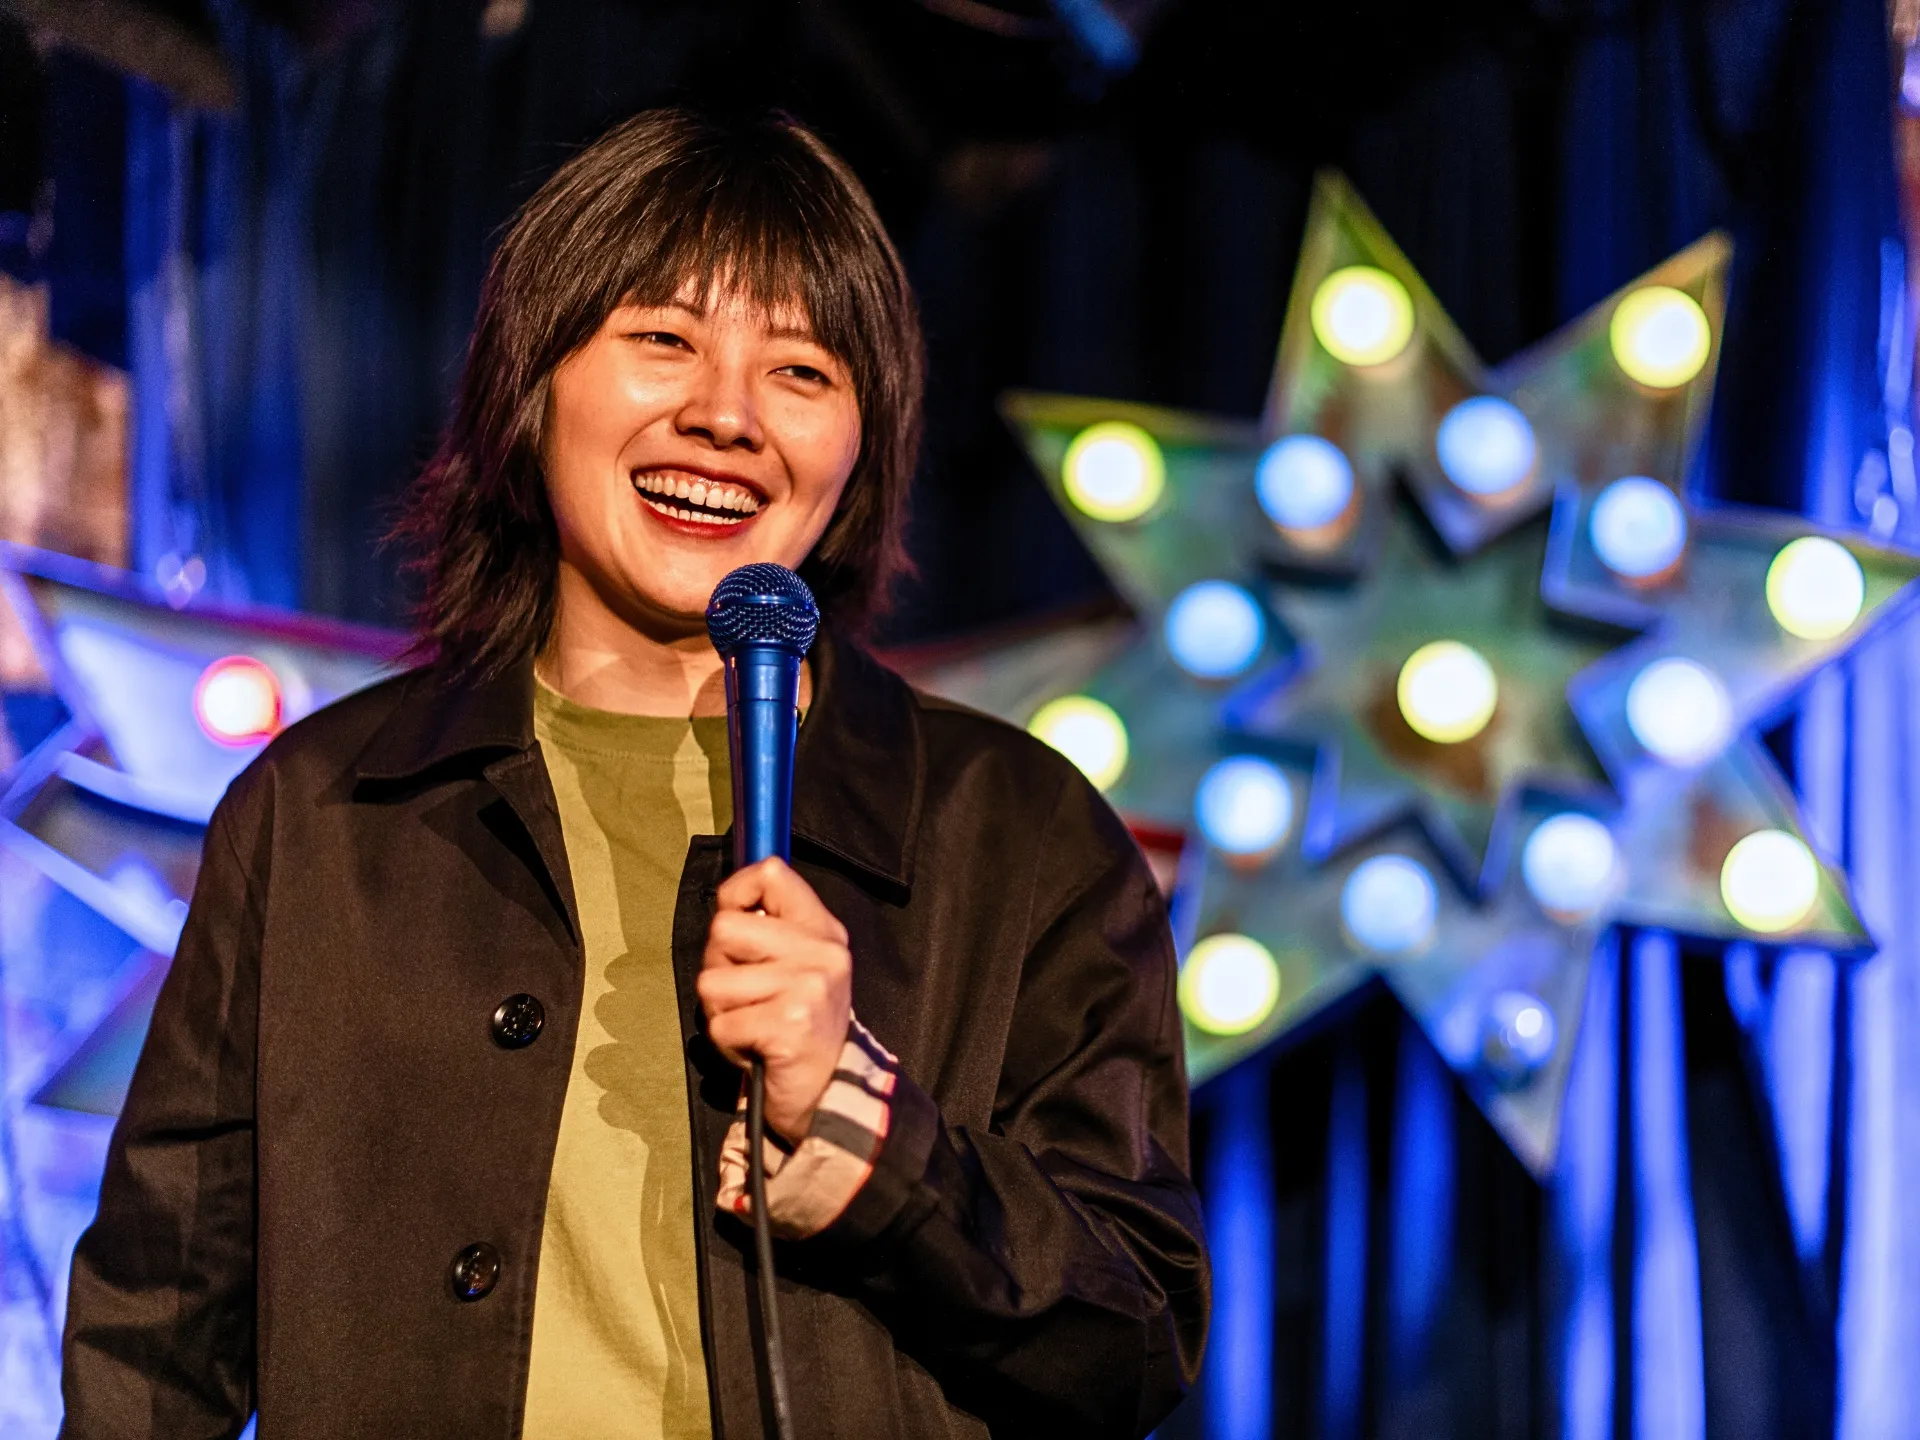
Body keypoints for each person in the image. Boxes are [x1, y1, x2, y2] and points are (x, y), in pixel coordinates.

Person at [59, 108, 1209, 1439]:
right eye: (662, 341)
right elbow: (156, 1335)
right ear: (531, 385)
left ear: (861, 443)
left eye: (801, 371)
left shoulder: (1016, 836)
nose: (723, 417)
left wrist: (866, 1131)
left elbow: (1131, 1340)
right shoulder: (325, 811)